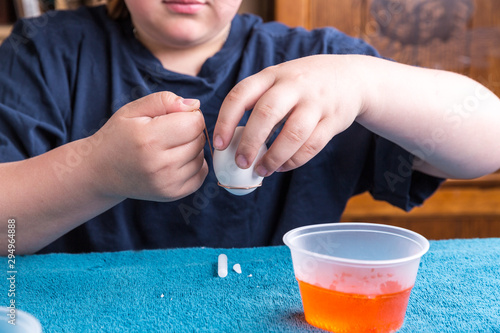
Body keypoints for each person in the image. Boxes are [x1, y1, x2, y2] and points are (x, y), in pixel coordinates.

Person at [0, 0, 499, 255]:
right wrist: (93, 172)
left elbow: (489, 141)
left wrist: (367, 85)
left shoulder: (322, 66)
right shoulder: (43, 51)